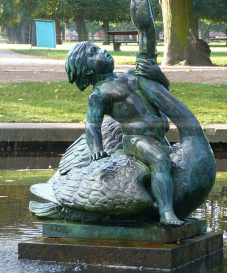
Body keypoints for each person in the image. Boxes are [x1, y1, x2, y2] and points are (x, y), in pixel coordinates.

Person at [65, 41, 185, 227]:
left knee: (175, 165)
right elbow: (92, 125)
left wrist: (159, 76)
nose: (103, 50)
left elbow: (162, 92)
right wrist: (96, 149)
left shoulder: (130, 75)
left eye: (99, 48)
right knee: (160, 160)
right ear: (88, 70)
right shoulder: (99, 94)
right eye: (94, 52)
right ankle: (166, 213)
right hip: (136, 139)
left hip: (158, 136)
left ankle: (159, 205)